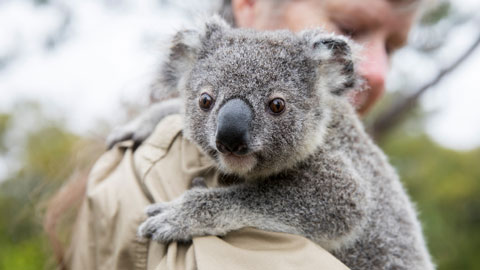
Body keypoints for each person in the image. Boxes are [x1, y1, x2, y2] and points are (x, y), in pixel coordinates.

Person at [47, 0, 426, 269]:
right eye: (351, 26)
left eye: (277, 106)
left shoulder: (320, 115)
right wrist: (170, 114)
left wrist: (209, 208)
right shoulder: (163, 157)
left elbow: (343, 205)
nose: (226, 135)